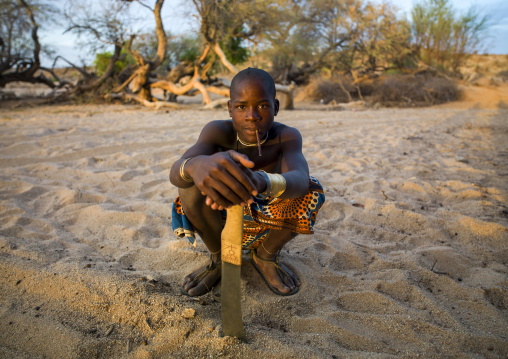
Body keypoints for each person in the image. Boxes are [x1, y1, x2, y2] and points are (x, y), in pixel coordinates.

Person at [170, 68, 325, 297]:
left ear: (276, 107)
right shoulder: (217, 132)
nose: (252, 115)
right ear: (230, 108)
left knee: (312, 190)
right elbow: (176, 172)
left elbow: (300, 180)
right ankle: (220, 258)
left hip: (267, 223)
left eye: (262, 105)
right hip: (218, 218)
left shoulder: (287, 136)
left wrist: (262, 180)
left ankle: (265, 255)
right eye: (242, 107)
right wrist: (195, 165)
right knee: (190, 182)